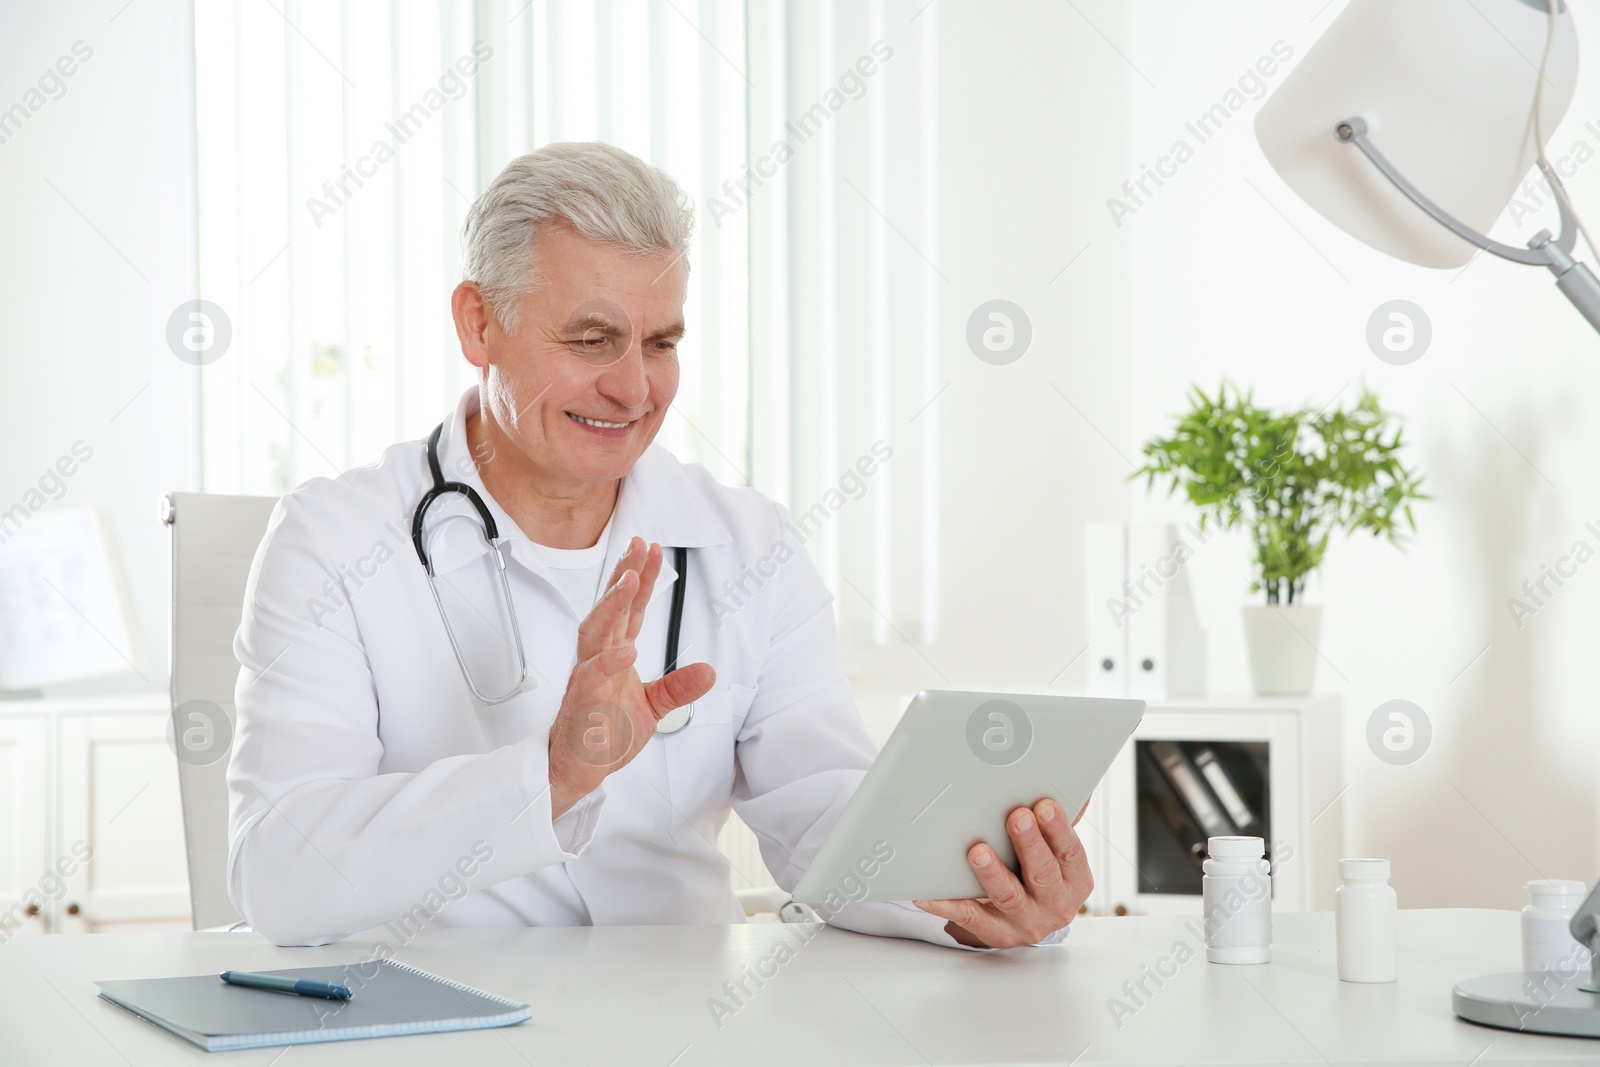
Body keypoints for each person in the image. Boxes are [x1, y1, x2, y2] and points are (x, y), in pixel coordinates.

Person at [227, 141, 1091, 950]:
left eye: (662, 342)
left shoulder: (747, 542)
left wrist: (973, 893)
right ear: (479, 325)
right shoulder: (336, 541)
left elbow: (826, 820)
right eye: (592, 339)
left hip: (689, 1019)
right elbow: (278, 876)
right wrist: (552, 776)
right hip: (448, 1022)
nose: (634, 387)